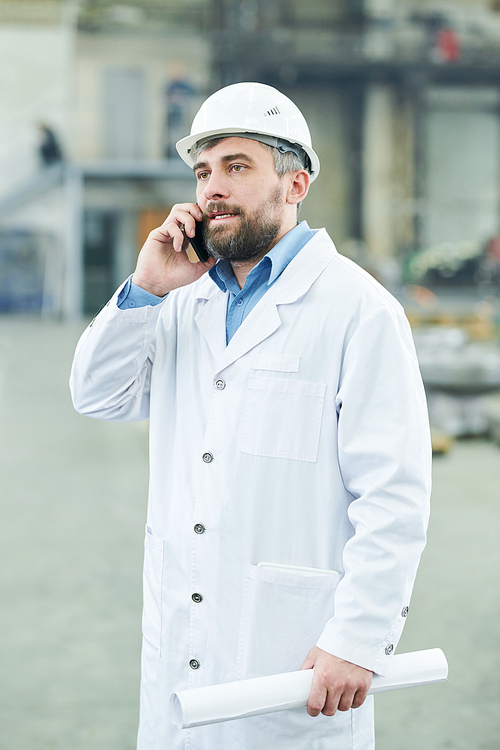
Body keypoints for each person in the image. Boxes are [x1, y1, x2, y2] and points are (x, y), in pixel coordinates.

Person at [70, 82, 431, 750]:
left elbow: (394, 495)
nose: (213, 188)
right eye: (204, 171)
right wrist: (146, 288)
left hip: (294, 663)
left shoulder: (358, 310)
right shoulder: (179, 299)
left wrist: (356, 640)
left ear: (294, 186)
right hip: (183, 651)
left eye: (237, 167)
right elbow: (97, 395)